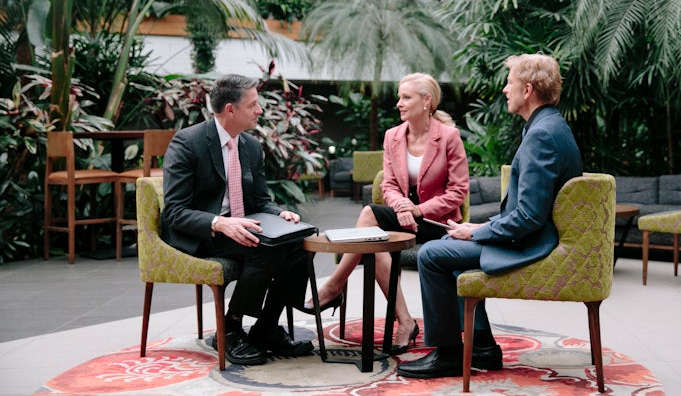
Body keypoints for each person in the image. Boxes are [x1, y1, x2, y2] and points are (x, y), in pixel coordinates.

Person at [397, 54, 583, 379]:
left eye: (509, 83)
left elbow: (528, 217)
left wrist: (477, 233)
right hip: (531, 235)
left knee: (431, 254)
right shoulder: (548, 125)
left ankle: (450, 354)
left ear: (527, 89)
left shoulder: (542, 135)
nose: (504, 90)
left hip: (531, 243)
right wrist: (481, 226)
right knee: (447, 246)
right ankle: (483, 347)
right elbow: (529, 211)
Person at [305, 73, 469, 354]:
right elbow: (389, 184)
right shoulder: (393, 136)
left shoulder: (449, 137)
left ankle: (333, 286)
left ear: (426, 100)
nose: (399, 104)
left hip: (437, 221)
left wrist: (416, 209)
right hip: (404, 215)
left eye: (406, 97)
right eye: (399, 97)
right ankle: (405, 322)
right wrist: (402, 207)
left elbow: (458, 191)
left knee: (371, 227)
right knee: (373, 228)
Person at [161, 74, 313, 366]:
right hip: (204, 233)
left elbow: (260, 201)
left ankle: (265, 328)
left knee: (298, 244)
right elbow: (175, 212)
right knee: (264, 249)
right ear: (230, 109)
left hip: (243, 226)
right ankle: (230, 328)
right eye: (253, 104)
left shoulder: (251, 147)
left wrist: (279, 214)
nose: (260, 110)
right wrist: (220, 223)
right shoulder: (188, 142)